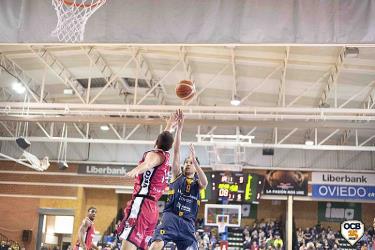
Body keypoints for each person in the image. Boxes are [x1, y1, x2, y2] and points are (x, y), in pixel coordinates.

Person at [117, 112, 179, 250]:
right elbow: (164, 140)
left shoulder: (154, 155)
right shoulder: (165, 157)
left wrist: (137, 169)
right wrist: (169, 125)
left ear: (156, 142)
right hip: (152, 209)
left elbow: (148, 163)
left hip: (141, 204)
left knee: (129, 243)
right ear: (170, 146)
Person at [149, 110, 208, 250]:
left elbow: (205, 182)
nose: (188, 164)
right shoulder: (177, 175)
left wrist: (195, 161)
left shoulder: (198, 184)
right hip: (171, 218)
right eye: (186, 162)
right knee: (156, 244)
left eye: (190, 162)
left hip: (188, 224)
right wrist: (180, 129)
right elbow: (176, 151)